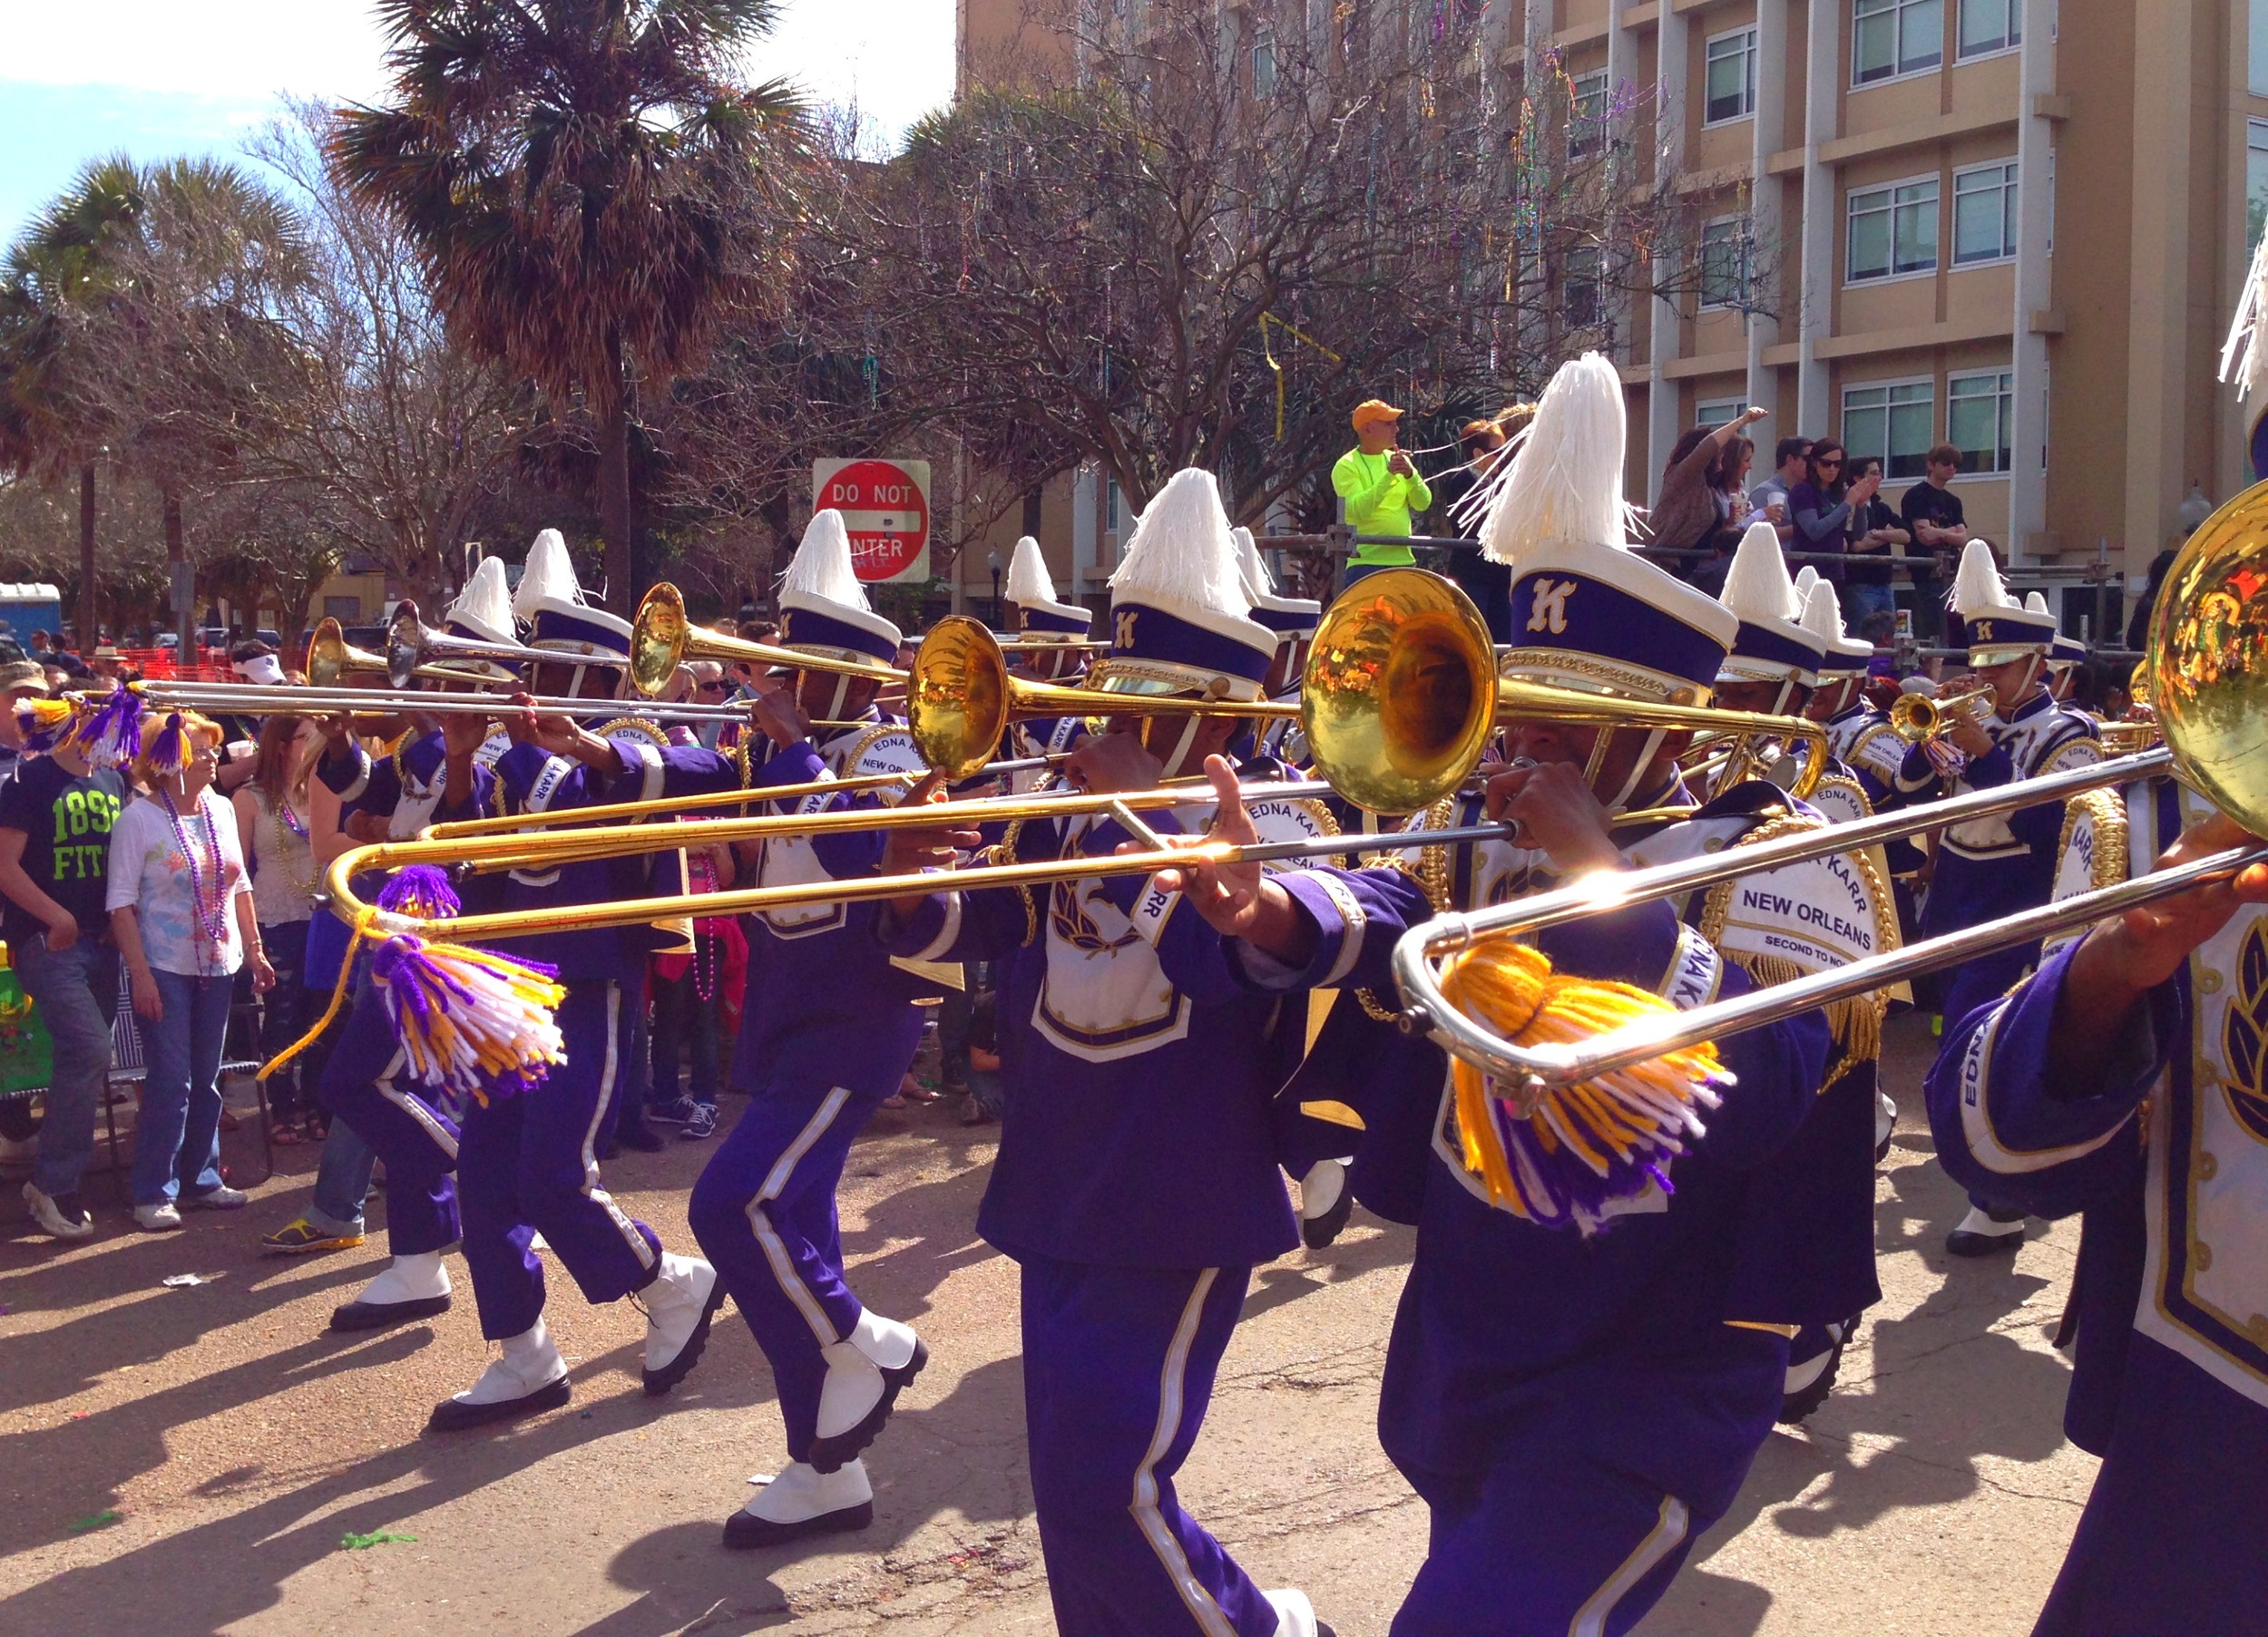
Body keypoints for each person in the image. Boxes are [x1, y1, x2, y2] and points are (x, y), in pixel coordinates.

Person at [1207, 355, 1847, 1635]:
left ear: (1665, 731)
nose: (1526, 745)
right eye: (1526, 710)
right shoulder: (1479, 824)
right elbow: (1398, 918)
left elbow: (1779, 1086)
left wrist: (1599, 871)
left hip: (1649, 1370)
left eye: (1573, 718)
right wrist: (1269, 906)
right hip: (1470, 1338)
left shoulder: (1771, 852)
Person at [876, 468, 1335, 1637]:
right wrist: (907, 866)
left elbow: (1224, 963)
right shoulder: (1069, 803)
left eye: (1149, 701)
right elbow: (972, 930)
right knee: (1070, 1492)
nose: (1111, 722)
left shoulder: (1277, 823)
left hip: (1178, 1192)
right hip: (1056, 1179)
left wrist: (1152, 824)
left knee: (1111, 1488)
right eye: (1111, 691)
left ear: (1220, 715)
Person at [685, 509, 936, 1548]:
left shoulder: (886, 747)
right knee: (798, 1234)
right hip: (787, 1025)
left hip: (849, 1026)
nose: (771, 679)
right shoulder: (775, 752)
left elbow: (856, 864)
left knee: (731, 1206)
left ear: (845, 673)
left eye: (793, 663)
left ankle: (866, 1338)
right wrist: (591, 755)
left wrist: (791, 752)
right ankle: (824, 1462)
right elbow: (698, 791)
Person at [1893, 541, 2100, 1258]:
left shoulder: (2069, 735)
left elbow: (2052, 828)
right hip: (1955, 905)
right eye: (1977, 664)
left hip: (2016, 916)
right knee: (1959, 1043)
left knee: (1979, 1054)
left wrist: (1985, 752)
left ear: (2038, 665)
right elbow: (1909, 794)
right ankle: (2001, 1188)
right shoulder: (1968, 717)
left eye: (1999, 666)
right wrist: (1929, 740)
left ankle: (1998, 1200)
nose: (1983, 677)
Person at [107, 713, 275, 1233]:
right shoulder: (138, 820)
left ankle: (202, 1176)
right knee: (171, 1081)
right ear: (169, 760)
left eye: (211, 750)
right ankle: (153, 1189)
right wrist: (141, 975)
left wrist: (255, 948)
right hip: (165, 964)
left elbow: (240, 883)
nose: (212, 759)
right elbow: (120, 905)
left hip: (219, 963)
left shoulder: (221, 808)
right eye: (202, 751)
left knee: (207, 1078)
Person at [4, 693, 127, 1241]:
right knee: (90, 1049)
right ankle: (53, 1185)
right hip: (48, 944)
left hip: (103, 943)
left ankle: (57, 1175)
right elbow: (5, 867)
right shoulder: (27, 782)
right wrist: (55, 918)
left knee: (85, 1059)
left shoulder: (114, 783)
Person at [231, 713, 321, 1142]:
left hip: (325, 913)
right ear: (283, 745)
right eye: (307, 736)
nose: (316, 742)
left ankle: (319, 1104)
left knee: (322, 1014)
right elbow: (236, 871)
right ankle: (282, 1107)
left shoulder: (325, 787)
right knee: (283, 1015)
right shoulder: (248, 798)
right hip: (276, 914)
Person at [645, 827, 737, 1142]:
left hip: (711, 932)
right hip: (673, 930)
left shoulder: (715, 818)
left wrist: (717, 849)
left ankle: (705, 1100)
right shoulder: (668, 818)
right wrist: (684, 844)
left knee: (706, 1019)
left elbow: (727, 877)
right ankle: (666, 1096)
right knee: (669, 1018)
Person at [1646, 407, 1769, 576]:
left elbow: (1705, 531)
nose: (1722, 457)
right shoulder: (1682, 476)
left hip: (1692, 567)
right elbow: (1706, 447)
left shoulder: (1707, 488)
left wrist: (1730, 522)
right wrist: (1742, 421)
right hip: (1665, 565)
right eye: (1719, 452)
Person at [1331, 398, 1432, 583]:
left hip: (1404, 562)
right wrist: (1389, 476)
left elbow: (1423, 503)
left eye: (1395, 423)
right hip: (1366, 565)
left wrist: (1411, 475)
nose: (1397, 429)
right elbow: (1358, 511)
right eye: (1388, 424)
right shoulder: (1346, 466)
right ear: (1367, 429)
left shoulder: (1398, 459)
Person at [1435, 417, 1516, 640]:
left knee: (1503, 636)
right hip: (1471, 572)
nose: (1503, 457)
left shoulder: (1503, 481)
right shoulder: (1459, 482)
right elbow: (1469, 525)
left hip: (1501, 573)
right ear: (1478, 453)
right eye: (1497, 451)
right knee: (1473, 636)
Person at [1899, 444, 1969, 638]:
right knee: (1933, 630)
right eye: (1946, 463)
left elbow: (1964, 539)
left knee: (1953, 629)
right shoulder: (1916, 495)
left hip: (1952, 574)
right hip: (1926, 574)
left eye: (1956, 464)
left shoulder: (1954, 501)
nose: (1952, 468)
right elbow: (1924, 537)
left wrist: (1938, 531)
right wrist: (1951, 531)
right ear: (1931, 464)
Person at [1784, 440, 1875, 587]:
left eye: (1837, 464)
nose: (1832, 469)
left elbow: (1858, 535)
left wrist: (1861, 505)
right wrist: (1847, 504)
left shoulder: (1839, 493)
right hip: (1807, 572)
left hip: (1835, 571)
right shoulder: (1803, 491)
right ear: (1814, 463)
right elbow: (1814, 531)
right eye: (1826, 463)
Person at [1842, 456, 1910, 625]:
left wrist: (1876, 534)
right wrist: (1888, 534)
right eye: (1874, 473)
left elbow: (1906, 536)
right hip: (1859, 586)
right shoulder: (1847, 506)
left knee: (1892, 636)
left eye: (1879, 473)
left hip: (1886, 585)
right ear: (1858, 478)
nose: (1879, 478)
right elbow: (1856, 545)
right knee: (1861, 638)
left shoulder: (1882, 508)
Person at [1747, 435, 1812, 546]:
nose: (1813, 465)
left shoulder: (1807, 492)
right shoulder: (1765, 492)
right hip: (1776, 559)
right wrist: (1806, 527)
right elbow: (1758, 533)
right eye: (1808, 459)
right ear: (1790, 460)